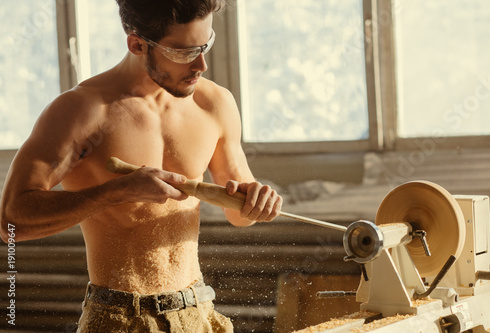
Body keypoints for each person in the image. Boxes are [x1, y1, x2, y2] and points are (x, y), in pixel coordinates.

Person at [0, 0, 283, 331]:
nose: (201, 65)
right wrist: (115, 192)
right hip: (118, 318)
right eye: (184, 52)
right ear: (137, 44)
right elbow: (11, 223)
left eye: (205, 45)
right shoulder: (82, 111)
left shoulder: (214, 104)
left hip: (198, 311)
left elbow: (239, 212)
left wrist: (257, 199)